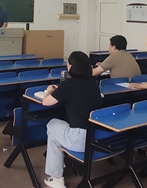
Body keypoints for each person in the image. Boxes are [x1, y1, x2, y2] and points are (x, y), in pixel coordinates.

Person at [41, 51, 103, 188]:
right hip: (96, 136)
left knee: (52, 125)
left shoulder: (68, 84)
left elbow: (46, 102)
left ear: (70, 67)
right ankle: (59, 160)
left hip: (79, 140)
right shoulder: (93, 83)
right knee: (60, 125)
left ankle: (56, 178)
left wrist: (49, 91)